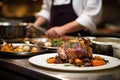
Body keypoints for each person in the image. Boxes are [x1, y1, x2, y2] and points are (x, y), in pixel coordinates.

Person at [26, 0, 102, 38]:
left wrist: (63, 29)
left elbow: (90, 16)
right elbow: (46, 10)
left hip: (80, 41)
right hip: (54, 42)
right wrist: (35, 26)